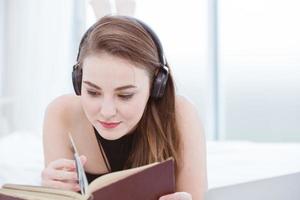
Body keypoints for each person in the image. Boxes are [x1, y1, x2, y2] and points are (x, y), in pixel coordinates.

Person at [41, 15, 207, 200]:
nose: (107, 112)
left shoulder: (181, 115)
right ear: (78, 81)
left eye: (125, 95)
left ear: (155, 86)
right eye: (93, 92)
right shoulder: (61, 114)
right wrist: (52, 192)